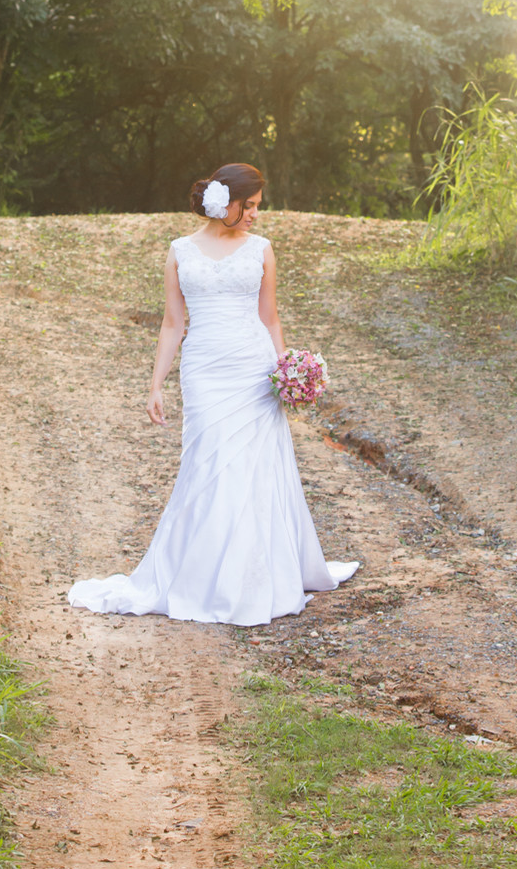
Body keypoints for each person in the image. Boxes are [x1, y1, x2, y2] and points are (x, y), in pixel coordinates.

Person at [67, 163, 358, 626]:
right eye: (251, 207)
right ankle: (202, 575)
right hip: (204, 371)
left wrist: (288, 369)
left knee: (255, 468)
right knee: (208, 464)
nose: (256, 216)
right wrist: (156, 384)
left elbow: (270, 317)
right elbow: (171, 324)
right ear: (227, 203)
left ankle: (255, 574)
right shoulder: (180, 251)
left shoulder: (261, 249)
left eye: (258, 208)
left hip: (253, 368)